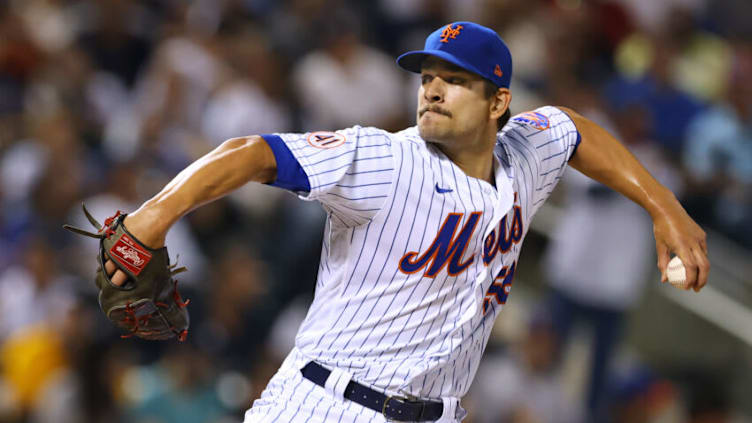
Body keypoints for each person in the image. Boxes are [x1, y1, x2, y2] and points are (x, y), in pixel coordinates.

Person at [101, 22, 709, 422]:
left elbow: (574, 128)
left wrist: (666, 208)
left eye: (456, 81)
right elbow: (252, 152)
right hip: (325, 404)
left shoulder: (524, 154)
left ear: (499, 103)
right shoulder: (383, 157)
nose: (434, 91)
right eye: (427, 78)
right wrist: (154, 218)